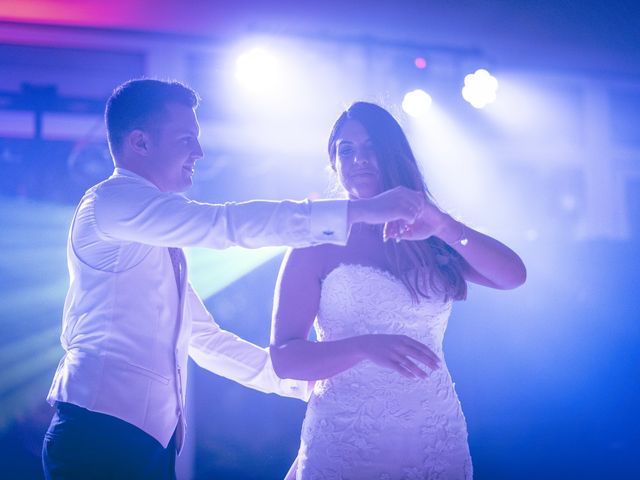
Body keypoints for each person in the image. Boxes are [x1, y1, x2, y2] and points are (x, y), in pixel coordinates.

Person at [41, 81, 428, 480]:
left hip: (141, 443)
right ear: (140, 143)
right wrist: (358, 211)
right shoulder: (111, 203)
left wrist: (302, 383)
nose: (199, 152)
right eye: (186, 139)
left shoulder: (151, 231)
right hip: (99, 434)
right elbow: (224, 225)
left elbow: (206, 340)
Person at [270, 102, 527, 479]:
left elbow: (513, 276)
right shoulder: (316, 241)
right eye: (346, 149)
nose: (359, 158)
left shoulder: (430, 236)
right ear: (334, 163)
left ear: (395, 153)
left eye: (371, 146)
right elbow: (285, 359)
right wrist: (364, 346)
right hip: (347, 438)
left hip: (435, 431)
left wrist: (443, 225)